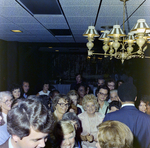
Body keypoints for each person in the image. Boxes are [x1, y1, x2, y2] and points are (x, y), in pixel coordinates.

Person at [103, 82, 150, 148]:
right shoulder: (147, 119)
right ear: (135, 98)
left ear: (119, 98)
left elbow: (103, 141)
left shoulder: (110, 116)